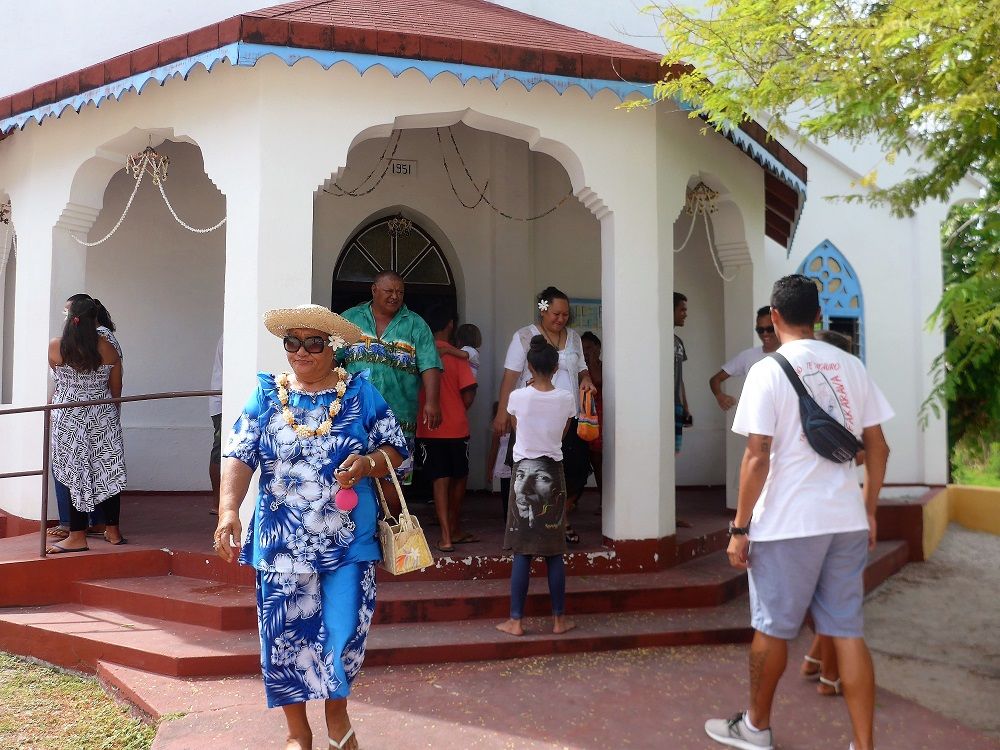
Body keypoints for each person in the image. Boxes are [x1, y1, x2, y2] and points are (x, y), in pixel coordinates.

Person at [705, 275, 893, 750]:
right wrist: (869, 511)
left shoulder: (767, 370)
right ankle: (863, 745)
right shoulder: (852, 366)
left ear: (773, 316)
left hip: (787, 523)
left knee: (771, 629)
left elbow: (757, 456)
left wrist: (739, 528)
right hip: (845, 520)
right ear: (818, 315)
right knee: (847, 632)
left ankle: (756, 728)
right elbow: (879, 447)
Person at [213, 304, 407, 750]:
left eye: (313, 343)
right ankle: (297, 732)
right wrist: (228, 511)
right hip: (281, 542)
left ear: (332, 347)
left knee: (346, 632)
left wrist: (368, 464)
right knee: (283, 638)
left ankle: (337, 717)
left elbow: (396, 450)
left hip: (348, 541)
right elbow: (240, 455)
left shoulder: (360, 393)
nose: (301, 351)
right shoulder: (267, 394)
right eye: (292, 342)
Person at [493, 286, 596, 545]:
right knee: (525, 471)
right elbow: (510, 377)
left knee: (575, 470)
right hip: (530, 418)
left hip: (567, 416)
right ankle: (521, 526)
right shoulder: (524, 336)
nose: (561, 319)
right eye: (556, 314)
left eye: (565, 315)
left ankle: (561, 517)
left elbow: (582, 368)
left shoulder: (574, 337)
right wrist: (502, 413)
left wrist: (585, 379)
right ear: (543, 310)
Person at [496, 336, 578, 638]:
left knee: (522, 551)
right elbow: (563, 433)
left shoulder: (518, 397)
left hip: (523, 473)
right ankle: (559, 620)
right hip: (553, 473)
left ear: (529, 366)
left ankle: (516, 621)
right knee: (554, 552)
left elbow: (516, 427)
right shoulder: (566, 398)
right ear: (556, 368)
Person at [339, 271, 442, 508]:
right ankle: (360, 529)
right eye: (389, 291)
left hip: (399, 419)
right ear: (374, 290)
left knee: (393, 486)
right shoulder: (350, 319)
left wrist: (432, 402)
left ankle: (391, 528)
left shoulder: (416, 325)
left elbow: (430, 365)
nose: (395, 296)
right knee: (350, 477)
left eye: (400, 292)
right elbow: (331, 358)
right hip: (353, 416)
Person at [800, 327, 859, 697]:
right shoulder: (845, 393)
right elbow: (869, 452)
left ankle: (824, 671)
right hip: (832, 506)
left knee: (829, 598)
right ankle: (821, 667)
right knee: (830, 598)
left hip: (819, 508)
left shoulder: (826, 393)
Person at [46, 297, 127, 554]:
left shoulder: (56, 347)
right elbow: (116, 390)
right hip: (102, 414)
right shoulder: (109, 349)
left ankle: (77, 536)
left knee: (74, 474)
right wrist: (112, 416)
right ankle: (113, 530)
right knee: (107, 470)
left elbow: (59, 382)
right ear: (95, 319)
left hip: (68, 416)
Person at [416, 305, 477, 552]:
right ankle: (454, 527)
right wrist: (456, 409)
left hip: (428, 428)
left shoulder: (419, 353)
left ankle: (445, 536)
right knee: (459, 477)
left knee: (439, 479)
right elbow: (469, 394)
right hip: (457, 428)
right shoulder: (456, 356)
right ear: (450, 324)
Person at [708, 306, 780, 411]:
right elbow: (715, 379)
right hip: (756, 418)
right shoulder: (748, 356)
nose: (765, 334)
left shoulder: (792, 354)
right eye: (760, 330)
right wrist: (720, 396)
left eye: (770, 329)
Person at [581, 331, 604, 513]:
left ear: (598, 348)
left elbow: (597, 380)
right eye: (583, 348)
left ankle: (604, 500)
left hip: (600, 419)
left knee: (598, 461)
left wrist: (593, 360)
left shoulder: (603, 366)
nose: (585, 351)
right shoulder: (579, 369)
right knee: (580, 460)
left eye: (589, 347)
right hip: (582, 417)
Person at [486, 401, 513, 519]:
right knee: (506, 490)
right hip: (503, 464)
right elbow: (493, 450)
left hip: (515, 461)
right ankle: (507, 516)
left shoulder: (517, 426)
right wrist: (490, 469)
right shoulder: (499, 430)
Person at [674, 292, 692, 453]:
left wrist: (685, 405)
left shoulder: (678, 342)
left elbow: (680, 378)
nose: (685, 314)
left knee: (675, 449)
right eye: (682, 310)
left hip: (677, 405)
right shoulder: (658, 340)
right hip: (662, 405)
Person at [208, 335, 223, 515]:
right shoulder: (231, 336)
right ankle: (218, 503)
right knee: (219, 452)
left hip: (223, 402)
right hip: (223, 404)